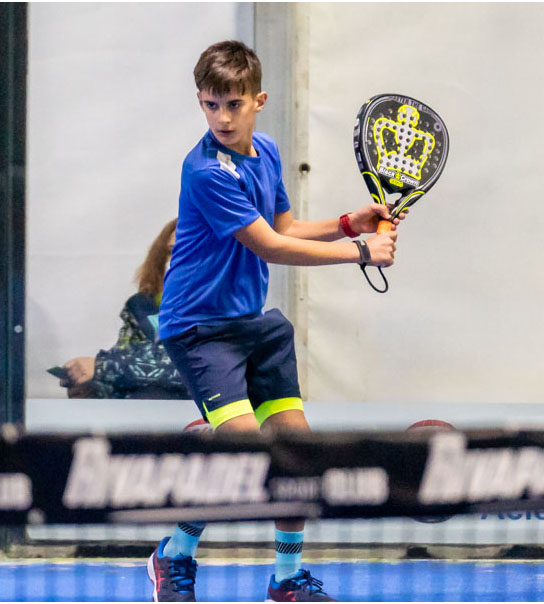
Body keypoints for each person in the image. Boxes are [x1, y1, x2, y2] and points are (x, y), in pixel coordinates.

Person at [147, 41, 403, 602]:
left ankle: (286, 579)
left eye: (233, 104)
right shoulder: (204, 171)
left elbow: (283, 225)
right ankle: (174, 553)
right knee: (244, 454)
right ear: (200, 102)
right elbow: (269, 247)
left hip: (255, 325)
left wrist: (348, 223)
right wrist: (361, 252)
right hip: (199, 330)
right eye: (211, 105)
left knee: (295, 454)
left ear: (258, 101)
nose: (222, 117)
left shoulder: (265, 150)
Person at [60, 219, 190, 400]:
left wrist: (101, 368)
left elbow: (199, 369)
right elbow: (129, 371)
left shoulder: (227, 308)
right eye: (170, 251)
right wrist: (94, 387)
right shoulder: (141, 306)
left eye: (189, 249)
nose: (177, 258)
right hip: (147, 412)